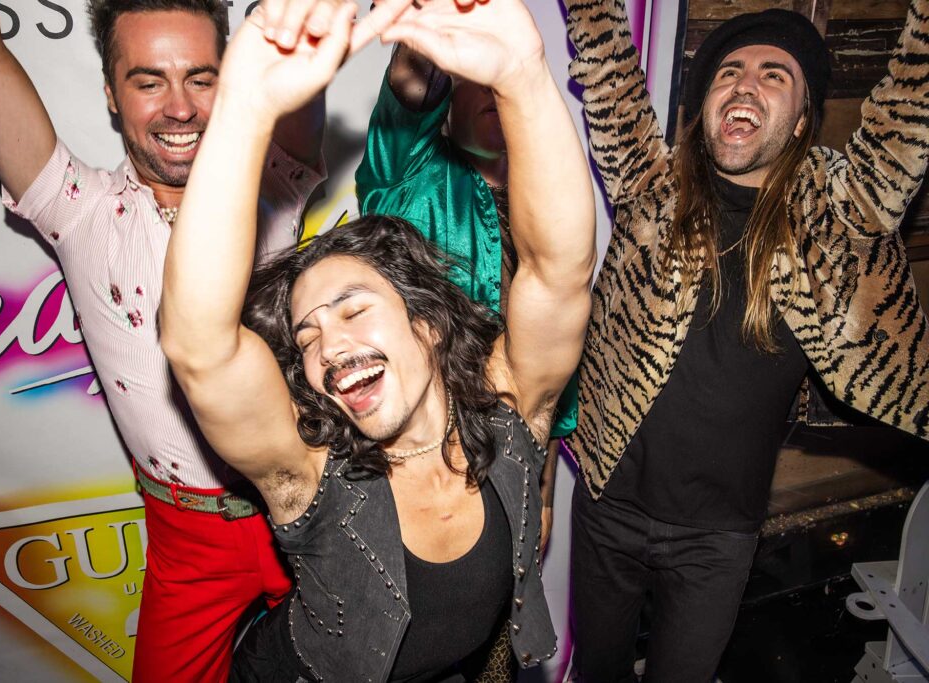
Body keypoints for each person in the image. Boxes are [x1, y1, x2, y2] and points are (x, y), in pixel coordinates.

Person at [158, 0, 597, 680]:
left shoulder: (509, 419)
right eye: (308, 335)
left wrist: (525, 76)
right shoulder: (310, 471)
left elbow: (558, 274)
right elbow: (199, 347)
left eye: (352, 308)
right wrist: (243, 105)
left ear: (425, 322)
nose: (329, 344)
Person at [0, 1, 329, 679]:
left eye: (201, 78)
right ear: (110, 93)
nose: (180, 108)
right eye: (148, 81)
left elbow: (304, 60)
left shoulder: (275, 179)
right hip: (187, 540)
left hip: (314, 504)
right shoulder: (76, 207)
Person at [562, 0, 929, 681]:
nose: (743, 84)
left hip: (718, 538)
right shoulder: (654, 185)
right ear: (705, 108)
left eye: (773, 75)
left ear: (799, 123)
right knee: (597, 672)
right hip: (608, 510)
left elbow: (914, 97)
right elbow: (609, 71)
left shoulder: (841, 214)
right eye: (728, 72)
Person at [355, 43, 583, 548]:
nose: (494, 87)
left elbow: (555, 377)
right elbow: (410, 83)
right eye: (475, 75)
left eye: (501, 75)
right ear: (446, 104)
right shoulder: (406, 175)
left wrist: (543, 495)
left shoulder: (551, 208)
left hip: (511, 466)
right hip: (413, 475)